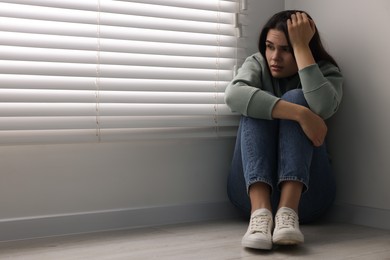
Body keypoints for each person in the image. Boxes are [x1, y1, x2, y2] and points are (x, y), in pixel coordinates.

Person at [224, 10, 343, 250]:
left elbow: (324, 106)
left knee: (297, 96)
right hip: (249, 196)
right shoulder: (257, 64)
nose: (274, 57)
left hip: (310, 200)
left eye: (286, 49)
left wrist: (301, 48)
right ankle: (261, 214)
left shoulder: (326, 72)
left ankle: (288, 211)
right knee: (257, 103)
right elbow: (233, 95)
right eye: (270, 47)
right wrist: (301, 114)